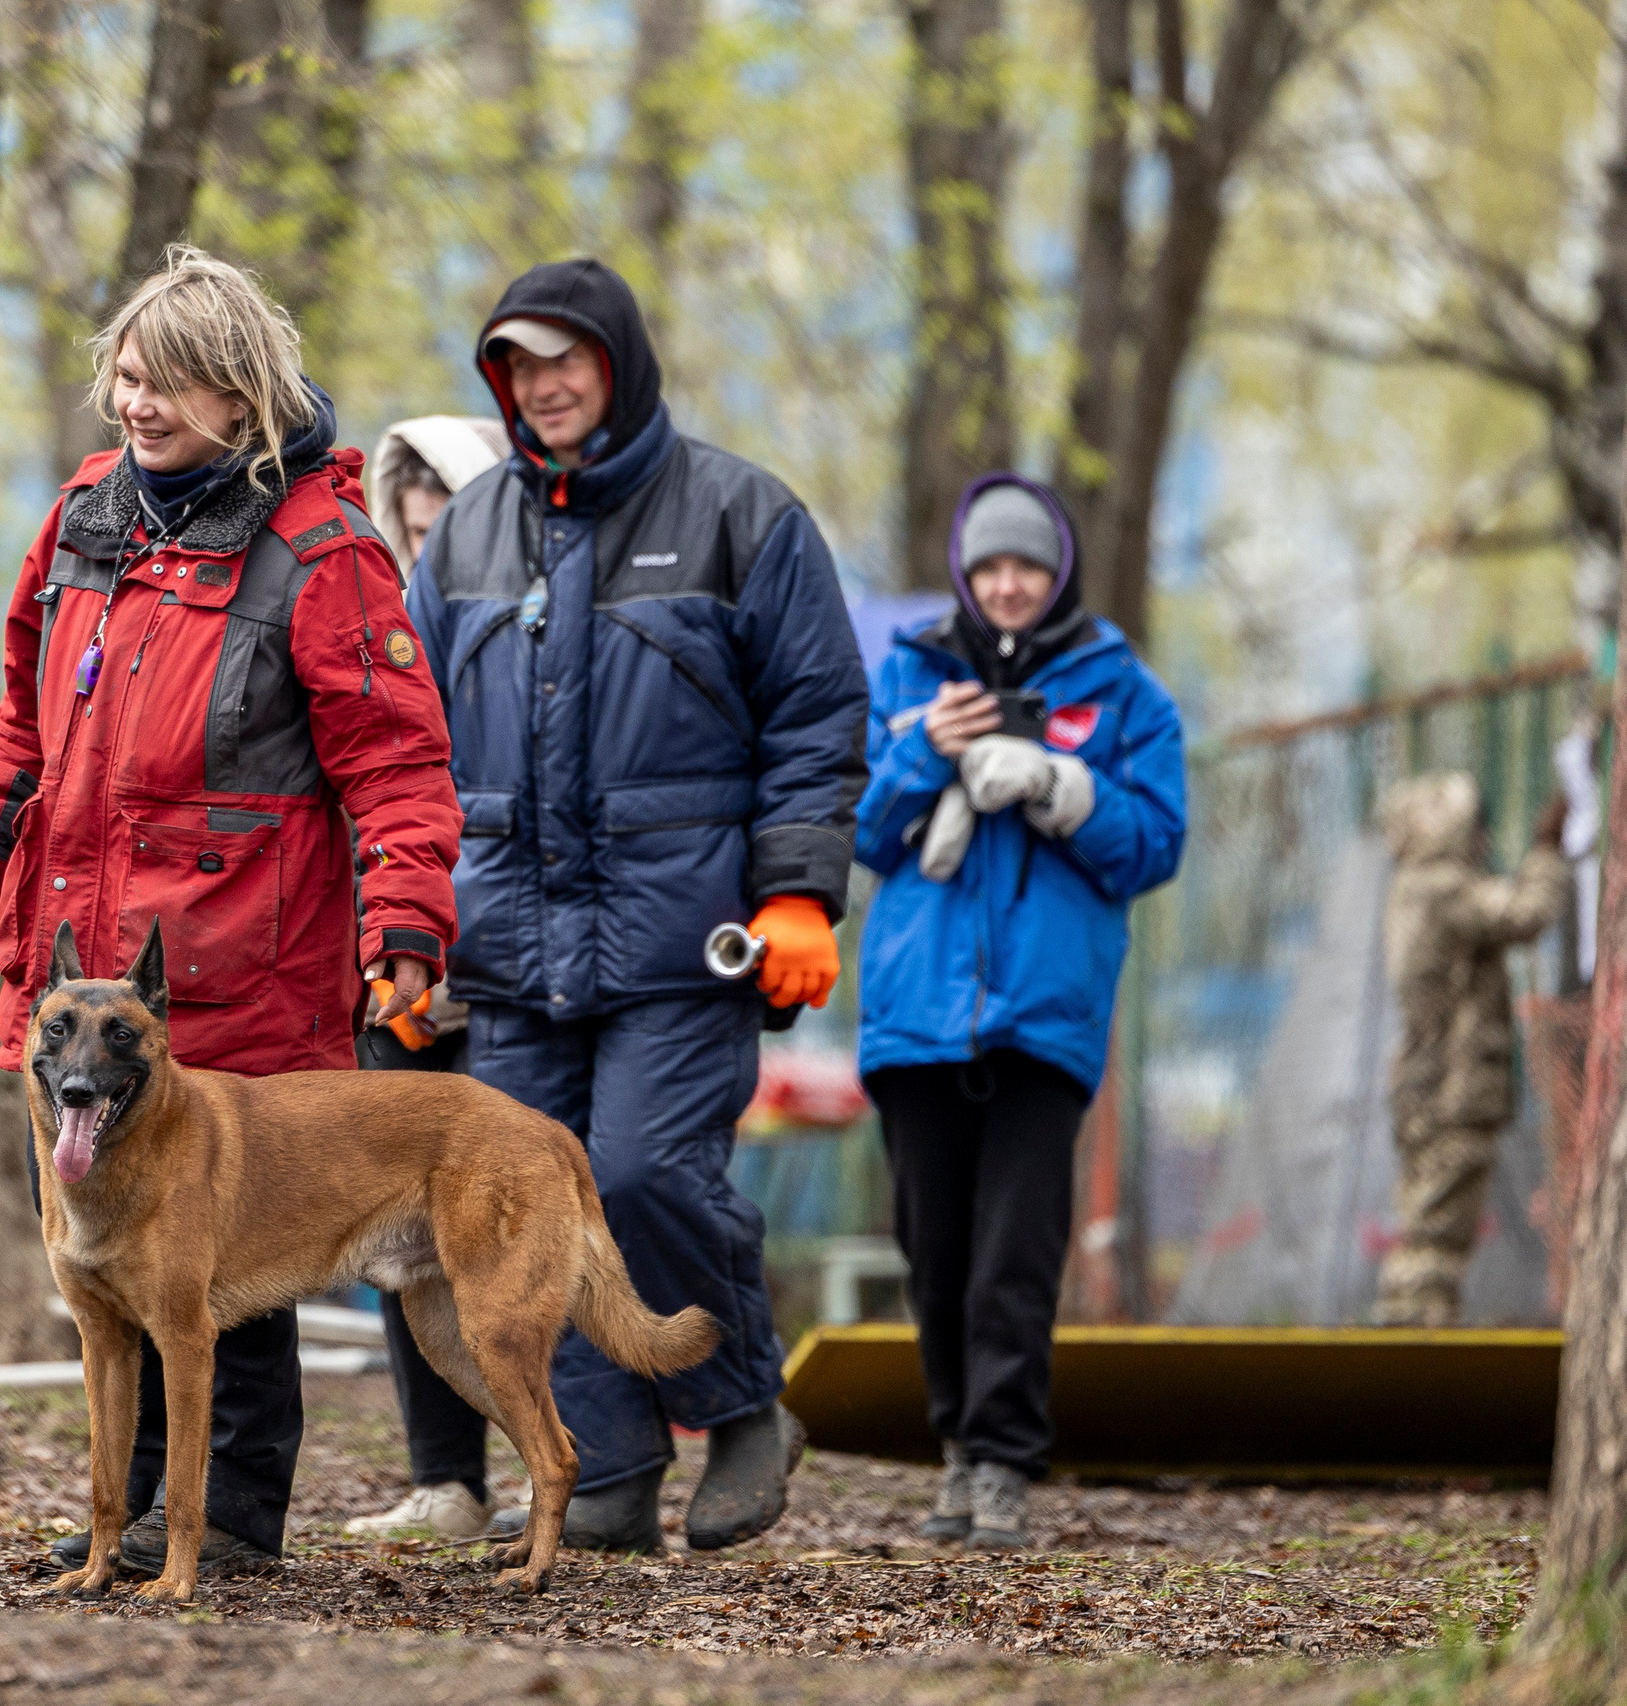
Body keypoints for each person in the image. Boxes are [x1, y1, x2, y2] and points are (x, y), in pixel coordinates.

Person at [0, 248, 462, 1579]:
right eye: (125, 372)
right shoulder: (79, 524)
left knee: (227, 1241)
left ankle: (227, 1516)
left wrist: (403, 919)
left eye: (168, 380)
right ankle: (136, 1507)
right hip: (86, 954)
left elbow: (395, 759)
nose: (137, 401)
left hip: (244, 960)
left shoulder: (322, 550)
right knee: (110, 1235)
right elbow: (24, 718)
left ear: (244, 396)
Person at [404, 258, 870, 1553]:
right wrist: (400, 920)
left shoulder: (741, 514)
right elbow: (405, 739)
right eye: (519, 364)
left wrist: (798, 893)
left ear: (619, 361)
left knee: (648, 1173)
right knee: (524, 1216)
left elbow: (820, 716)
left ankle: (742, 1407)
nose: (544, 384)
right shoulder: (469, 531)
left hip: (684, 937)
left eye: (567, 358)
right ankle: (606, 1470)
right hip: (507, 944)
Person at [854, 474, 1186, 1552]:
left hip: (1044, 1016)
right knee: (934, 1249)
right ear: (963, 569)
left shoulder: (1124, 689)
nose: (1007, 584)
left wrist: (1062, 787)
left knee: (1015, 1254)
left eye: (1027, 566)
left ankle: (1001, 1461)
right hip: (915, 1015)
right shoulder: (906, 671)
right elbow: (856, 827)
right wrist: (924, 751)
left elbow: (1153, 843)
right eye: (989, 565)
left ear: (1058, 573)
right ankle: (955, 1446)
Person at [343, 414, 510, 1543]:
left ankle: (586, 1465)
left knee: (516, 1231)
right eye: (411, 527)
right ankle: (445, 1478)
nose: (427, 545)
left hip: (504, 971)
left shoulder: (530, 638)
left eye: (447, 519)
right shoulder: (368, 630)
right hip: (396, 975)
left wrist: (463, 944)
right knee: (399, 1235)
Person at [1374, 773, 1566, 1326]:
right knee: (1435, 1234)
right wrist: (1547, 850)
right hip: (1450, 1087)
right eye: (1473, 826)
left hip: (1428, 1084)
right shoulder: (1442, 887)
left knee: (1430, 1224)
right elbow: (1526, 913)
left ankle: (1413, 1335)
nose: (1482, 840)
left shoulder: (1414, 886)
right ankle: (1412, 1348)